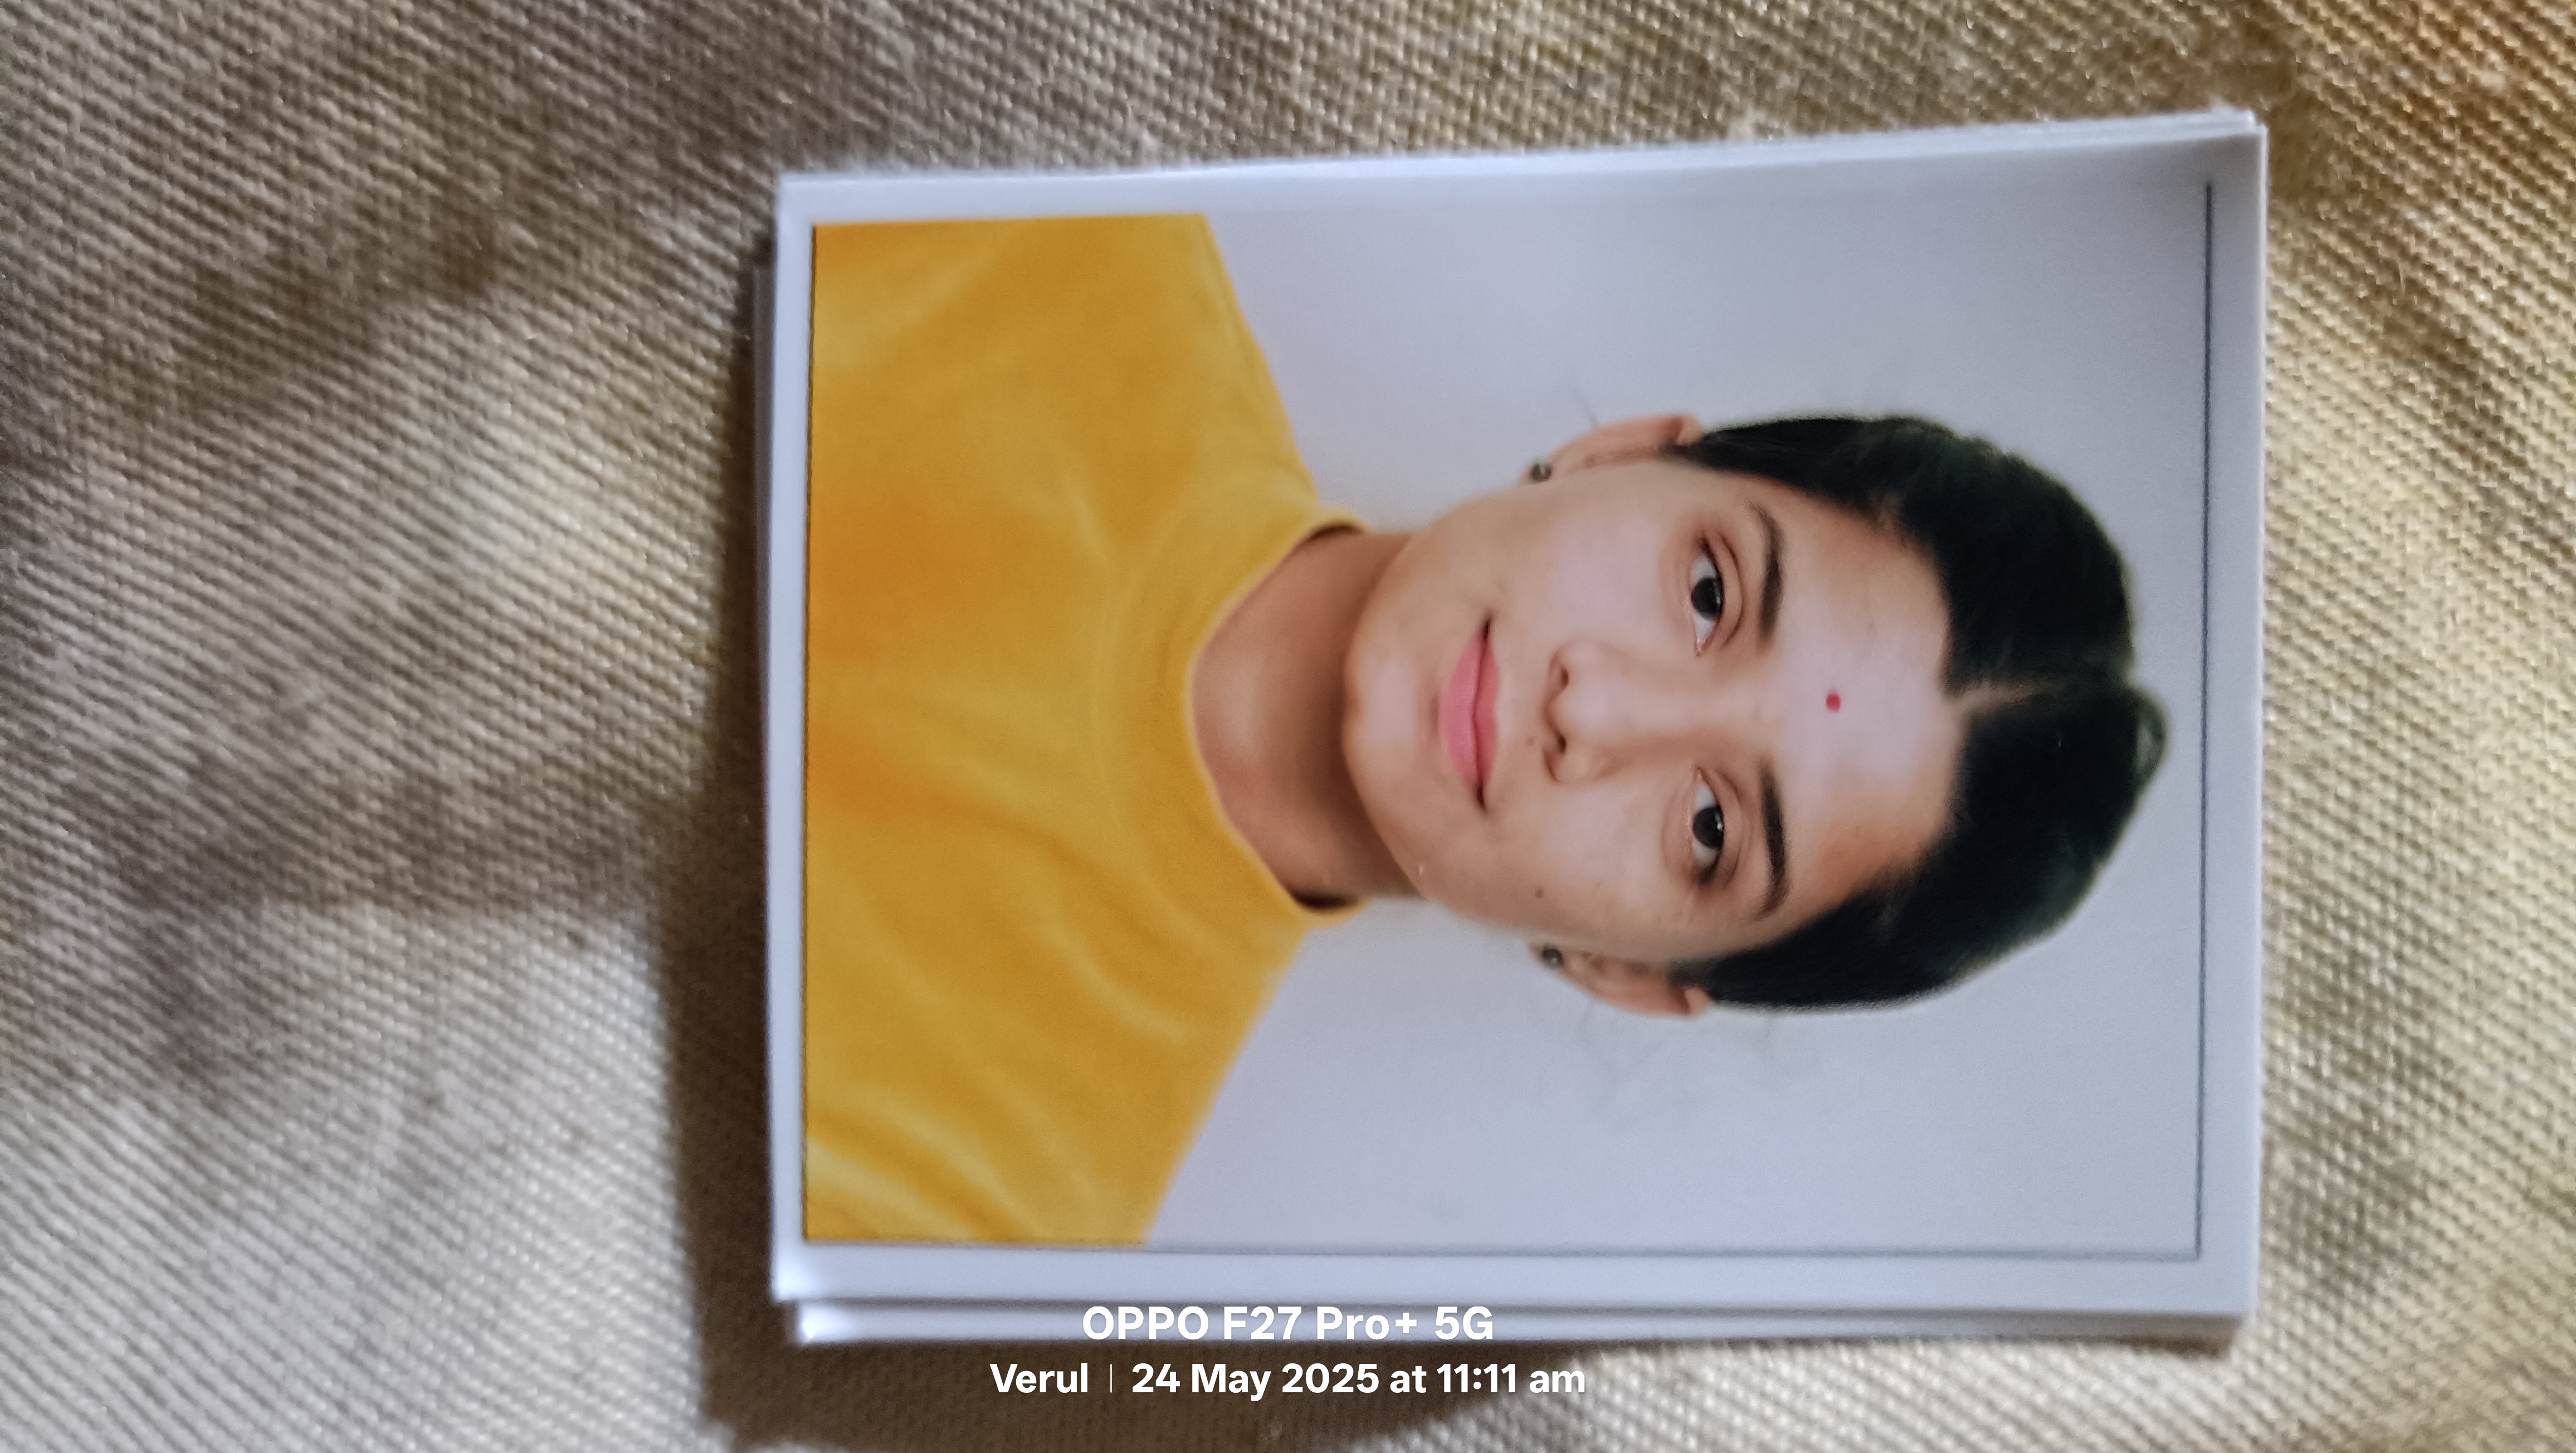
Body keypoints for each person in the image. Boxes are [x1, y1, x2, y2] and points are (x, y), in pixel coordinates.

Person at [799, 213, 2162, 1245]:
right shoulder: (1063, 226)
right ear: (1619, 452)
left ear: (1625, 971)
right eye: (1708, 593)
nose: (1594, 709)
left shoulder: (999, 1207)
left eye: (1709, 827)